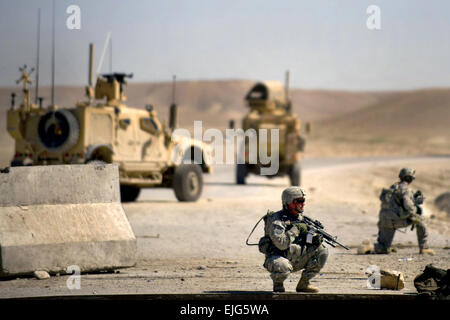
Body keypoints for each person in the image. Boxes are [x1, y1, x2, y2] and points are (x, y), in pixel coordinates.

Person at [259, 187, 328, 292]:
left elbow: (306, 240)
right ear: (289, 202)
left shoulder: (302, 219)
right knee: (282, 265)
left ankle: (304, 284)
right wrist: (296, 229)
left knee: (322, 251)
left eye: (303, 200)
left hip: (296, 257)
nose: (303, 204)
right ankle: (278, 284)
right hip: (278, 258)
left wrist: (313, 239)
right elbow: (281, 244)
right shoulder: (276, 220)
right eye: (299, 201)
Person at [358, 168, 434, 255]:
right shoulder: (406, 190)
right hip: (395, 220)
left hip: (384, 221)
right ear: (410, 178)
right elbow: (409, 207)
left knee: (383, 248)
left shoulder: (392, 188)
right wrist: (416, 208)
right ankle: (424, 248)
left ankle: (369, 247)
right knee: (421, 221)